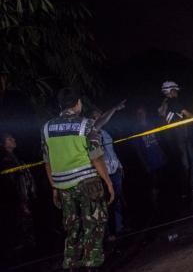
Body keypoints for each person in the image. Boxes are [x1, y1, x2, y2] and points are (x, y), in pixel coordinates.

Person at [42, 88, 114, 271]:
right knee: (94, 223)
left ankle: (71, 264)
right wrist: (108, 182)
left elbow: (47, 161)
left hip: (63, 186)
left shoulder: (47, 128)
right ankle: (92, 264)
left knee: (72, 227)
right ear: (77, 103)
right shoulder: (86, 124)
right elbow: (96, 157)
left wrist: (54, 187)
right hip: (88, 182)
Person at [157, 81, 193, 195]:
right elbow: (187, 114)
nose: (177, 93)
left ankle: (191, 187)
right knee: (185, 164)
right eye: (176, 90)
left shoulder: (166, 103)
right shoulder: (172, 102)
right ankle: (185, 191)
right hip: (179, 139)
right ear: (171, 91)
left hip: (181, 138)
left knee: (192, 161)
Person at [91, 102, 126, 241]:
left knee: (117, 200)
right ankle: (108, 233)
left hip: (115, 169)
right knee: (106, 203)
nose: (100, 117)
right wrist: (114, 108)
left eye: (100, 115)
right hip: (104, 173)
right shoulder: (91, 133)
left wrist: (120, 165)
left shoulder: (105, 133)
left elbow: (111, 150)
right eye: (96, 116)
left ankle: (119, 227)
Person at [0, 133, 37, 251]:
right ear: (4, 144)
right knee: (21, 222)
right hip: (18, 198)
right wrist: (21, 201)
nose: (13, 140)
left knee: (27, 221)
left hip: (24, 196)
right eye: (9, 139)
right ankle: (23, 247)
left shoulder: (16, 158)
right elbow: (13, 184)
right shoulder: (6, 161)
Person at [134, 106, 167, 208]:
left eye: (142, 112)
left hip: (159, 156)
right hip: (149, 160)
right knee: (153, 183)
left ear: (145, 113)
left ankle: (164, 202)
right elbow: (138, 149)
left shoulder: (151, 125)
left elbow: (159, 141)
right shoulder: (137, 130)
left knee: (163, 180)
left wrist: (163, 153)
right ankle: (155, 206)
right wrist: (144, 163)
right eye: (138, 113)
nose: (141, 115)